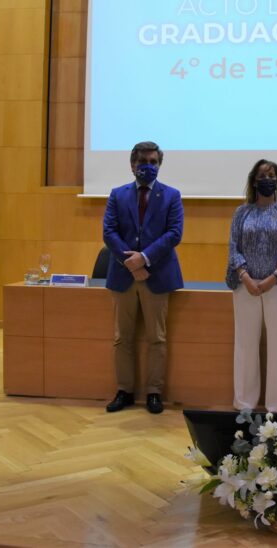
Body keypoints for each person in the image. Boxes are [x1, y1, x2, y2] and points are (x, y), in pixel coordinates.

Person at [102, 142, 184, 414]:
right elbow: (109, 232)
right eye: (142, 162)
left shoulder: (172, 196)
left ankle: (154, 392)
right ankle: (124, 390)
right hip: (124, 275)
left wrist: (144, 258)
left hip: (157, 274)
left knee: (156, 338)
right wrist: (132, 263)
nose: (147, 166)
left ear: (159, 165)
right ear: (132, 165)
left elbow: (174, 234)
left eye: (153, 161)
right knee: (121, 338)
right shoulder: (117, 194)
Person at [225, 159, 277, 414]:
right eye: (262, 175)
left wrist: (273, 278)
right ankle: (245, 404)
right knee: (245, 345)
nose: (267, 179)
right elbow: (233, 248)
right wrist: (245, 276)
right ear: (253, 181)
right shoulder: (242, 212)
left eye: (271, 175)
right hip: (245, 286)